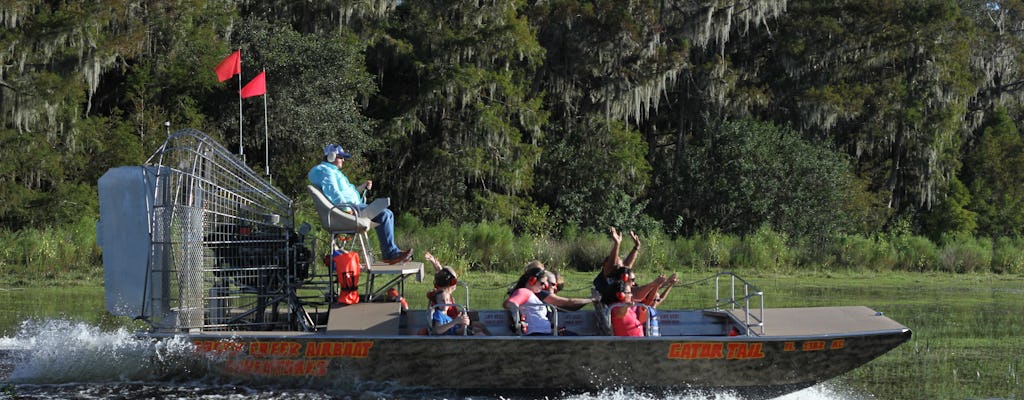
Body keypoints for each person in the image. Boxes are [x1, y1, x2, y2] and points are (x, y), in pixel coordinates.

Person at [308, 144, 412, 264]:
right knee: (384, 214)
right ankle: (390, 254)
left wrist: (362, 188)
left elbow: (345, 194)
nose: (343, 160)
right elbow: (333, 191)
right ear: (331, 156)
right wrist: (347, 209)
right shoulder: (326, 171)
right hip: (348, 209)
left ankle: (391, 253)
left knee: (386, 213)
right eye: (340, 157)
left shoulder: (331, 171)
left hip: (351, 206)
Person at [505, 267, 598, 335]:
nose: (543, 287)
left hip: (544, 333)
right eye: (542, 284)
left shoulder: (531, 294)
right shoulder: (524, 292)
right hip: (537, 334)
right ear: (532, 280)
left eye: (545, 285)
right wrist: (518, 322)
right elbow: (510, 303)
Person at [424, 251, 489, 335]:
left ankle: (493, 340)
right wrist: (458, 321)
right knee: (479, 329)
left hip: (457, 322)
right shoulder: (441, 296)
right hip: (454, 324)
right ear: (447, 283)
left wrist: (436, 264)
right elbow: (438, 328)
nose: (455, 283)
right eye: (454, 281)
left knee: (479, 324)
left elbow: (441, 275)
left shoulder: (446, 295)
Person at [593, 227, 660, 304]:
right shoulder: (606, 276)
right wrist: (617, 244)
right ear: (605, 264)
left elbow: (627, 265)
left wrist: (636, 247)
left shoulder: (619, 275)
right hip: (614, 307)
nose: (621, 266)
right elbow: (611, 265)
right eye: (618, 265)